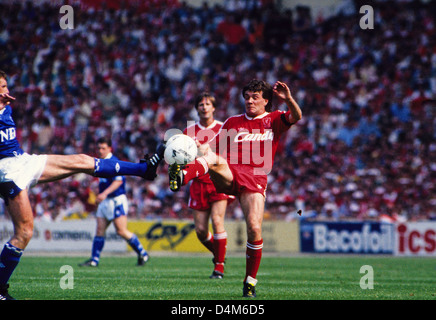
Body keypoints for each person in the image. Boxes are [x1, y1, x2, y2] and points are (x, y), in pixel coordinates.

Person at [0, 70, 165, 300]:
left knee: (82, 161)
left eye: (6, 86)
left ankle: (144, 169)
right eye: (2, 87)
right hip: (7, 170)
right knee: (25, 232)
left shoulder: (6, 106)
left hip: (22, 160)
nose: (6, 91)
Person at [169, 79, 302, 297]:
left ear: (265, 100)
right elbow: (213, 150)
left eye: (255, 97)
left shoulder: (274, 119)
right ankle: (182, 176)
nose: (249, 101)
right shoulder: (232, 122)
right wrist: (199, 149)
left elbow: (296, 117)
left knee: (254, 228)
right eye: (247, 97)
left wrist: (288, 100)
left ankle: (249, 282)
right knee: (212, 158)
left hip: (255, 178)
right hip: (229, 172)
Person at [183, 93, 234, 279]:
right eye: (201, 104)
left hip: (218, 181)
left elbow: (230, 155)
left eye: (207, 104)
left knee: (218, 221)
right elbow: (181, 159)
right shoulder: (189, 132)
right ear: (197, 108)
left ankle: (218, 267)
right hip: (198, 184)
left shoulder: (223, 128)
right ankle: (219, 254)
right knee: (201, 231)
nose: (204, 107)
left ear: (213, 107)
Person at [79, 137, 149, 268]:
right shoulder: (101, 161)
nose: (100, 151)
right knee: (99, 229)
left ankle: (143, 253)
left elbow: (119, 181)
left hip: (116, 200)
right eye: (99, 148)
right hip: (105, 201)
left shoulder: (114, 162)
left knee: (121, 231)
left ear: (110, 148)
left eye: (103, 148)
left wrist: (104, 193)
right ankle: (94, 260)